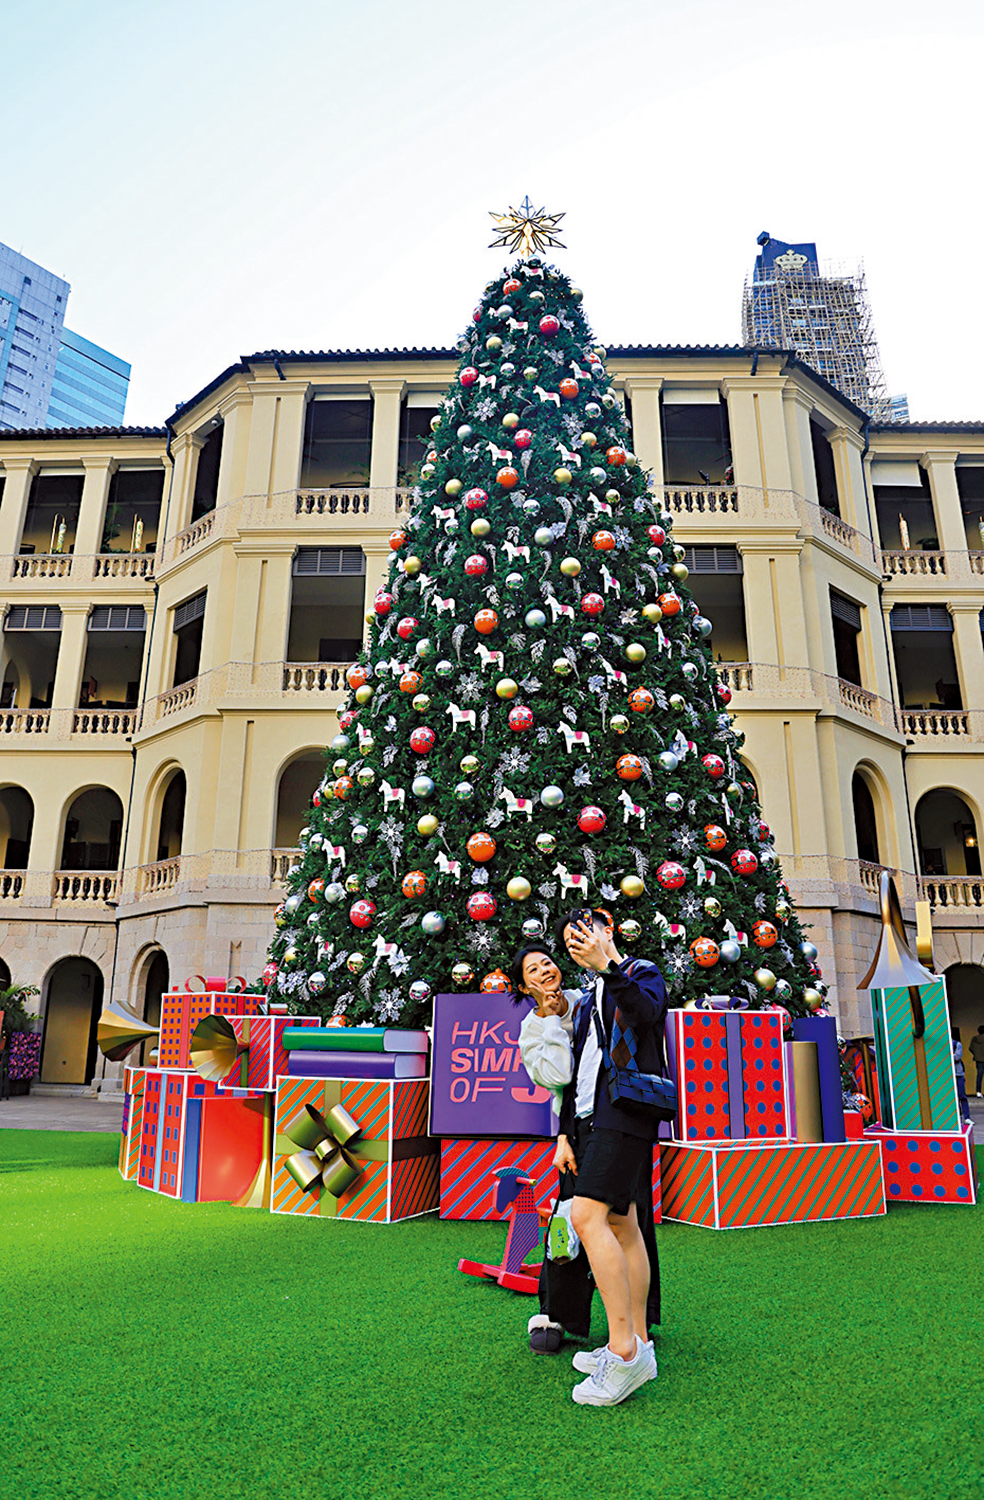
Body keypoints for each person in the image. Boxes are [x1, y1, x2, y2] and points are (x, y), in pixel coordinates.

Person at [553, 906, 668, 1408]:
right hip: (587, 1115)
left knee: (585, 1215)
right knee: (623, 1223)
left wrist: (609, 966)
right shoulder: (583, 1002)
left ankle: (623, 1353)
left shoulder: (638, 973)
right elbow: (576, 1070)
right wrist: (564, 1133)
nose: (578, 941)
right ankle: (637, 1341)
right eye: (570, 938)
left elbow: (647, 1016)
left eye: (585, 930)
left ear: (608, 930)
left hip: (625, 1109)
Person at [510, 943, 588, 1358]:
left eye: (547, 963)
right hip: (572, 1130)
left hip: (611, 1123)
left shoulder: (588, 1001)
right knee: (567, 1223)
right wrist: (554, 1020)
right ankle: (556, 1316)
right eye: (533, 971)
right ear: (525, 985)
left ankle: (635, 1318)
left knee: (626, 1221)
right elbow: (559, 1075)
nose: (544, 972)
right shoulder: (531, 1028)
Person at [952, 1028, 970, 1122]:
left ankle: (967, 1117)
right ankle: (956, 1117)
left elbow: (957, 1057)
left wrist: (950, 1055)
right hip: (949, 1075)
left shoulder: (957, 1044)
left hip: (958, 1073)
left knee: (962, 1095)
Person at [969, 1024, 984, 1099]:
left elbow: (971, 1048)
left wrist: (977, 1054)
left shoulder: (974, 1038)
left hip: (978, 1059)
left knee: (979, 1076)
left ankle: (978, 1092)